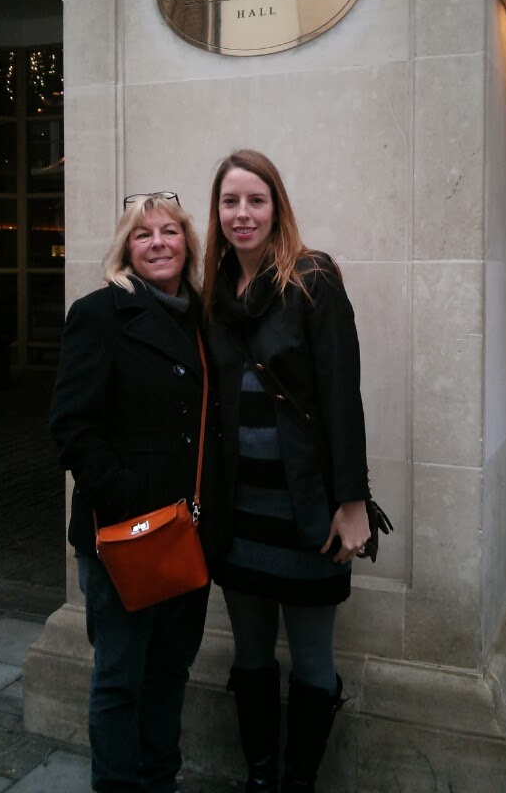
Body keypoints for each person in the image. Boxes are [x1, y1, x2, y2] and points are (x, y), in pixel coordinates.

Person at [202, 150, 372, 793]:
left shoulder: (313, 280)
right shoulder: (213, 292)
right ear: (217, 213)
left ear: (277, 207)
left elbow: (342, 397)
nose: (242, 213)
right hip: (240, 514)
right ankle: (259, 776)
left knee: (312, 660)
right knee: (249, 654)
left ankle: (298, 781)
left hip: (307, 512)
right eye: (230, 202)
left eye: (256, 200)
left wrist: (352, 502)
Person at [50, 191, 213, 793]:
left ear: (187, 243)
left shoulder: (201, 319)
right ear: (126, 249)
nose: (158, 243)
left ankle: (159, 781)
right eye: (143, 235)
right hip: (126, 536)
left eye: (169, 231)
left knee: (170, 672)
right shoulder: (99, 313)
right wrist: (127, 497)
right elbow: (72, 425)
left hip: (185, 535)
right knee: (120, 680)